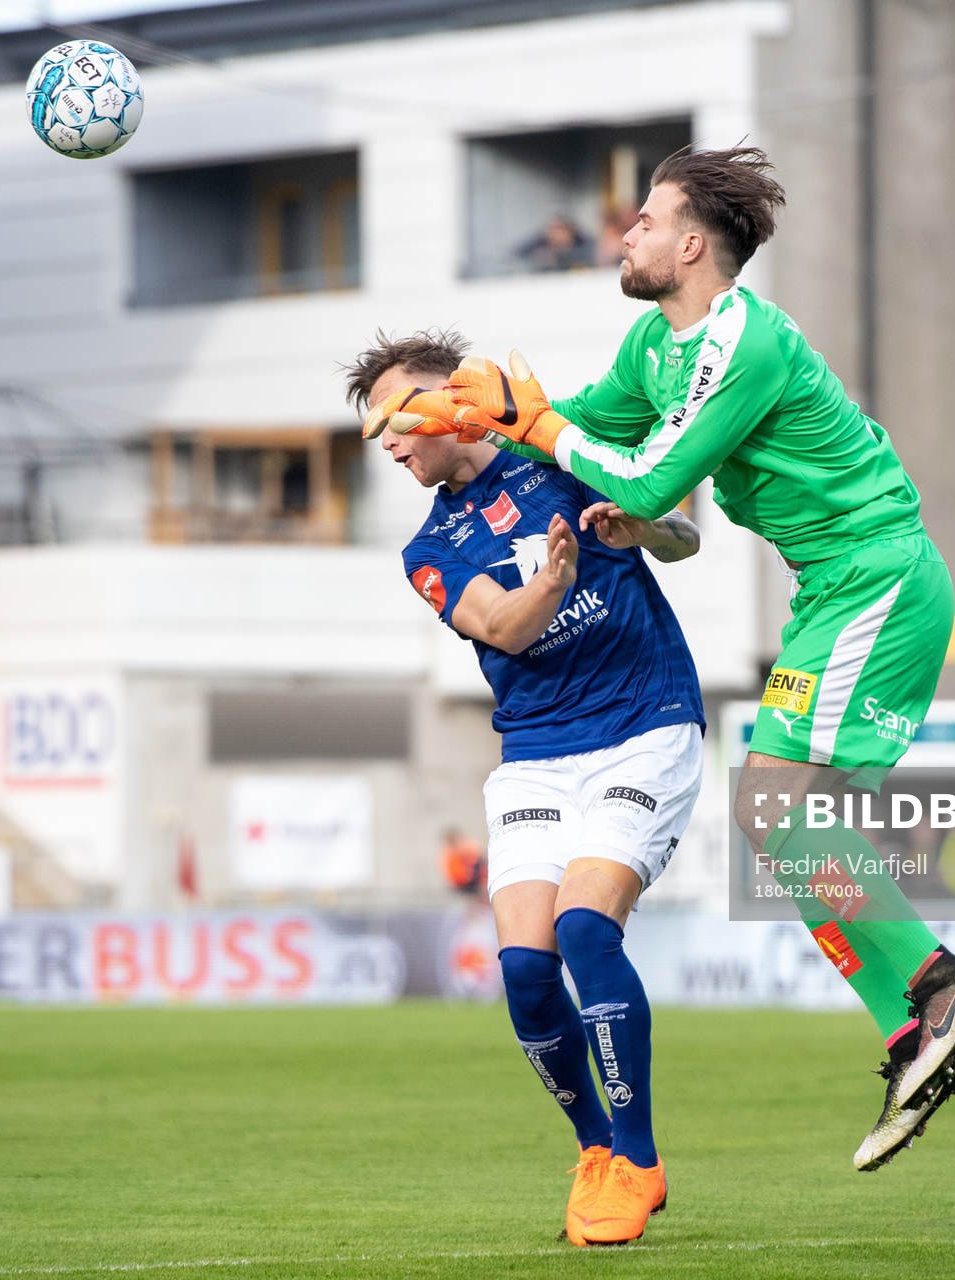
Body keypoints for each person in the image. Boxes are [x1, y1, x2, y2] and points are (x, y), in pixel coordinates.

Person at [364, 146, 955, 1173]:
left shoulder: (740, 341)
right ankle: (913, 1020)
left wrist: (539, 429)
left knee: (778, 803)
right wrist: (470, 418)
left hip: (876, 573)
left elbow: (650, 479)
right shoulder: (656, 347)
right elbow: (574, 433)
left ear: (692, 243)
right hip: (829, 593)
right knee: (777, 816)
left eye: (645, 221)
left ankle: (931, 983)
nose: (627, 234)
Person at [345, 328, 704, 1246]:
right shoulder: (427, 545)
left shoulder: (558, 446)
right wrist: (556, 577)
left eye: (392, 423)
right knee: (525, 972)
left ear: (443, 404)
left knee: (585, 928)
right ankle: (593, 1146)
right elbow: (500, 628)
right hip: (538, 753)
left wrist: (641, 525)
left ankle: (639, 1160)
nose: (385, 447)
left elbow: (684, 536)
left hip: (644, 723)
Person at [440, 827, 486, 899]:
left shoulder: (468, 847)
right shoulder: (448, 854)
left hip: (475, 882)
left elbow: (480, 859)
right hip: (463, 885)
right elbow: (452, 874)